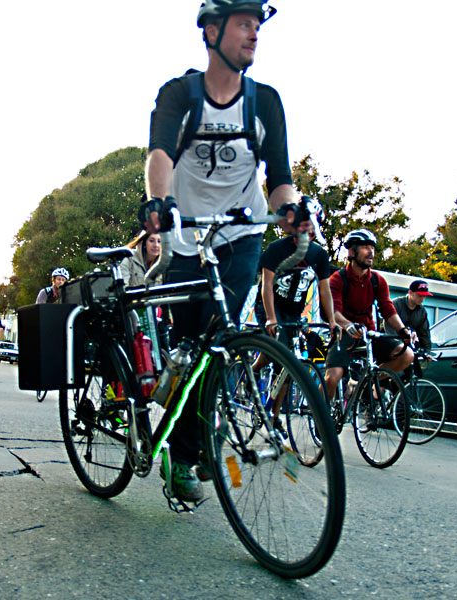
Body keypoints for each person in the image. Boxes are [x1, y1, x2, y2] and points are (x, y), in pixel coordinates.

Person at [142, 0, 309, 502]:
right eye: (244, 25)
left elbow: (279, 180)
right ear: (212, 32)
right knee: (189, 347)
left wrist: (292, 212)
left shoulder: (266, 102)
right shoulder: (180, 94)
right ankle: (177, 447)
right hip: (184, 236)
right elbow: (160, 155)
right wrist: (159, 202)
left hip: (241, 234)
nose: (254, 35)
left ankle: (203, 441)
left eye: (258, 27)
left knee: (223, 337)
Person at [256, 230, 337, 433]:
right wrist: (271, 317)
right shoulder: (277, 248)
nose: (308, 232)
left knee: (287, 364)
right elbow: (266, 284)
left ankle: (274, 417)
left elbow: (324, 289)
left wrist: (332, 320)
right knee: (279, 354)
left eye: (312, 228)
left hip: (293, 312)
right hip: (270, 307)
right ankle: (253, 370)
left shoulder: (319, 254)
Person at [324, 229, 415, 400]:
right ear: (352, 252)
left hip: (369, 334)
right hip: (345, 334)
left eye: (372, 247)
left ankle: (365, 382)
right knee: (333, 377)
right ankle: (320, 415)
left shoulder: (377, 280)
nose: (371, 252)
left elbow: (388, 309)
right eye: (365, 247)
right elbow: (334, 312)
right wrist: (348, 325)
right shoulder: (337, 279)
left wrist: (402, 330)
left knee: (407, 354)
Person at [385, 279, 433, 353]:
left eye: (424, 296)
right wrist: (398, 345)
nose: (422, 299)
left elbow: (424, 334)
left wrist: (427, 351)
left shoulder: (422, 312)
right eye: (419, 295)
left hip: (409, 347)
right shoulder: (395, 304)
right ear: (410, 292)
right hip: (389, 345)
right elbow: (388, 327)